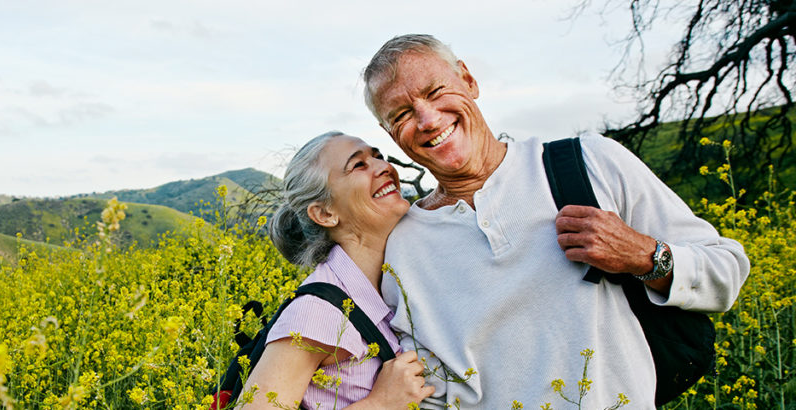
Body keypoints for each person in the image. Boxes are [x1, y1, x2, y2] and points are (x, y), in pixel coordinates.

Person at [361, 34, 750, 408]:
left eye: (435, 92)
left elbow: (726, 273)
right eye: (402, 114)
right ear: (388, 132)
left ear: (468, 79)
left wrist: (644, 256)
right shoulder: (402, 245)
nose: (428, 120)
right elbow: (426, 391)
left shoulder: (589, 163)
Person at [238, 131, 435, 409]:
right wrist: (379, 404)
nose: (384, 166)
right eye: (358, 165)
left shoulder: (390, 287)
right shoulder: (317, 314)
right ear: (325, 214)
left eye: (377, 156)